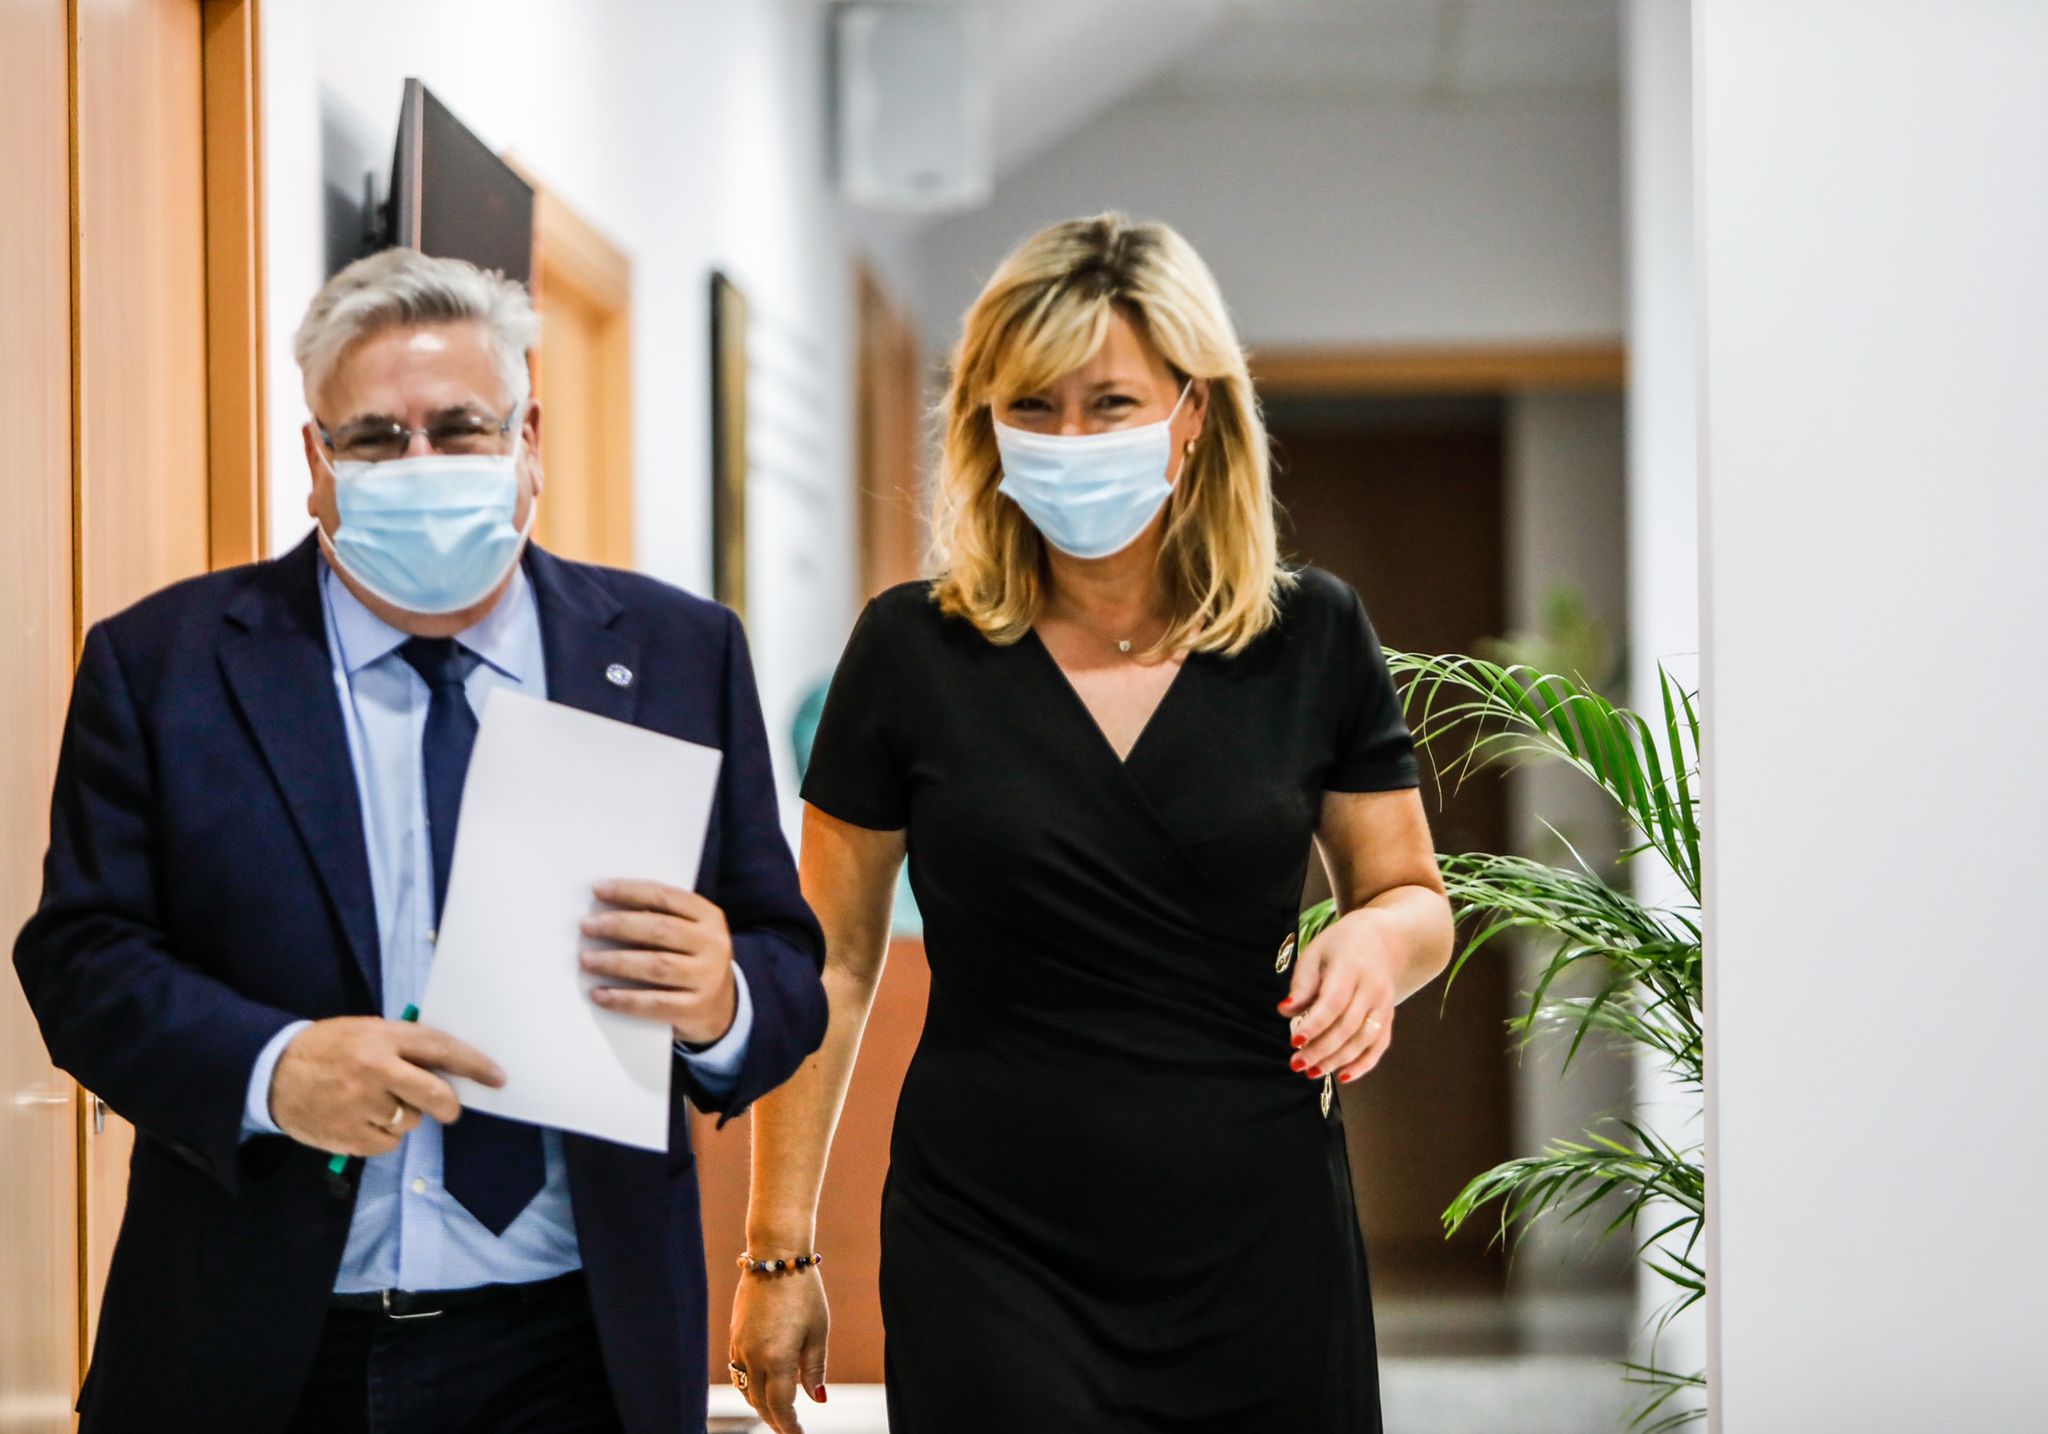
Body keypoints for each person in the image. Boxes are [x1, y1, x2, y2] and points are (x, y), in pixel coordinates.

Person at [13, 247, 828, 1433]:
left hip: (576, 1350)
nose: (421, 463)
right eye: (375, 439)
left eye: (458, 429)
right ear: (315, 462)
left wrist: (723, 1001)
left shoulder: (672, 653)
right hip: (254, 1345)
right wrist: (271, 1070)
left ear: (527, 439)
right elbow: (82, 958)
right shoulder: (165, 664)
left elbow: (784, 956)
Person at [727, 213, 1457, 1433]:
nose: (1069, 440)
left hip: (1256, 1231)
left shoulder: (1312, 638)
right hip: (988, 1241)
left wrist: (1375, 943)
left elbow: (1412, 896)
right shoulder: (908, 652)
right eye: (1034, 406)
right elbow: (830, 965)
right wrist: (775, 1251)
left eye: (1109, 403)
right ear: (985, 421)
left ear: (1193, 410)